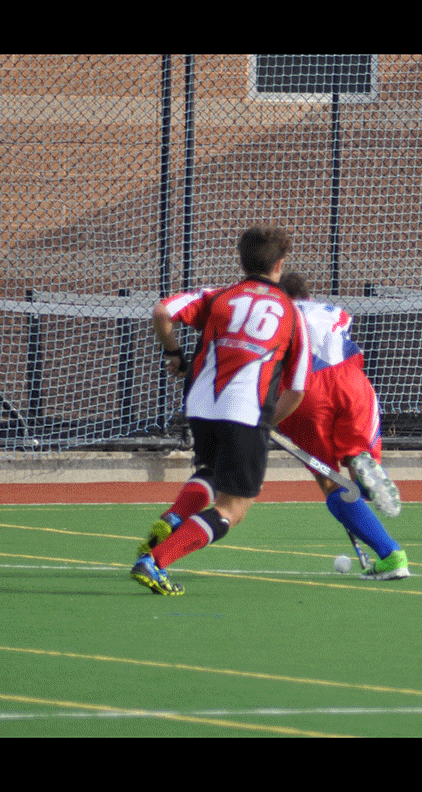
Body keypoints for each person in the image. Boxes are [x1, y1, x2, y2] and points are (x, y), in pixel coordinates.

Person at [131, 226, 311, 595]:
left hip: (199, 403)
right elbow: (296, 390)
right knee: (233, 509)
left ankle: (174, 516)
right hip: (246, 410)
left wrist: (173, 353)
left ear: (242, 261)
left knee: (210, 472)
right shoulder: (293, 314)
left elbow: (162, 311)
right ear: (280, 264)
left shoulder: (217, 296)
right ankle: (155, 561)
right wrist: (268, 423)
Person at [278, 272, 408, 580]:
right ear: (307, 294)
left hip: (306, 390)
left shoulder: (277, 316)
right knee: (355, 458)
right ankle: (363, 472)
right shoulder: (335, 312)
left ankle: (392, 554)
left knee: (331, 483)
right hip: (353, 384)